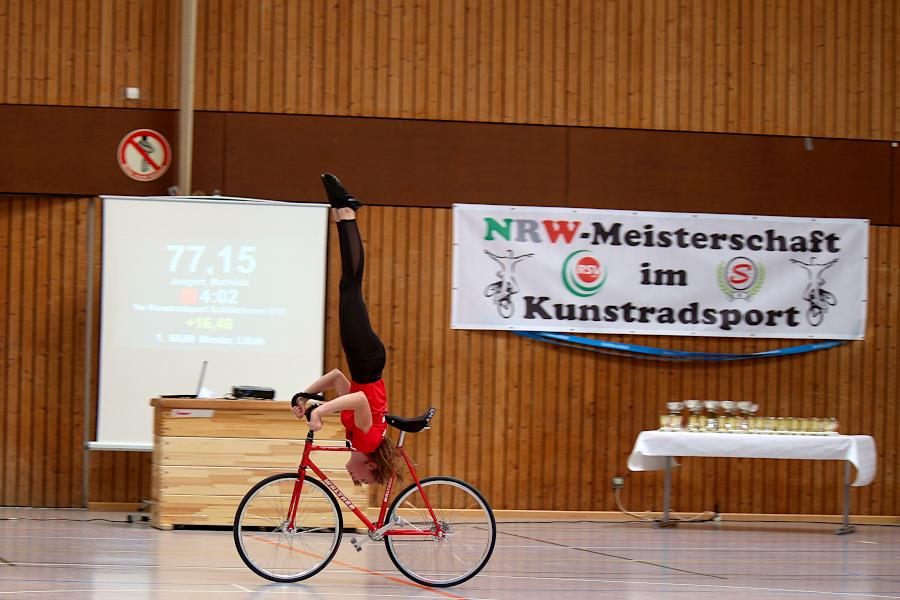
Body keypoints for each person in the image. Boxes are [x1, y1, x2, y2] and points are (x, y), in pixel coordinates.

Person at [291, 174, 403, 487]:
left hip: (361, 364)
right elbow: (361, 402)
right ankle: (347, 212)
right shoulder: (368, 442)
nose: (355, 479)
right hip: (368, 362)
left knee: (348, 286)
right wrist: (320, 410)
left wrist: (306, 396)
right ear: (371, 466)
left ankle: (343, 213)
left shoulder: (355, 435)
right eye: (364, 480)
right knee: (350, 287)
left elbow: (338, 378)